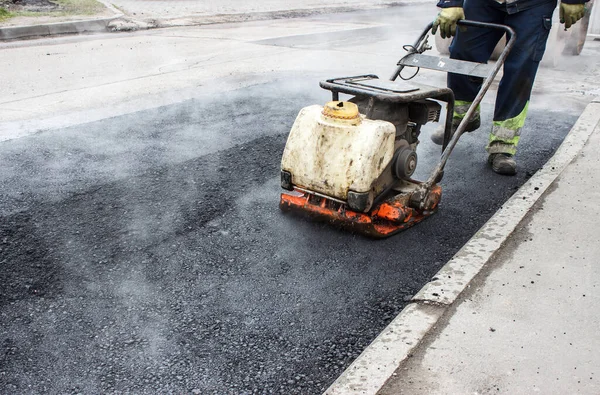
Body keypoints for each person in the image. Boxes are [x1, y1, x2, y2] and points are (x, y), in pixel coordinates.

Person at [431, 0, 589, 175]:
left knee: (521, 69)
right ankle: (462, 117)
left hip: (534, 4)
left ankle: (502, 144)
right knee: (463, 55)